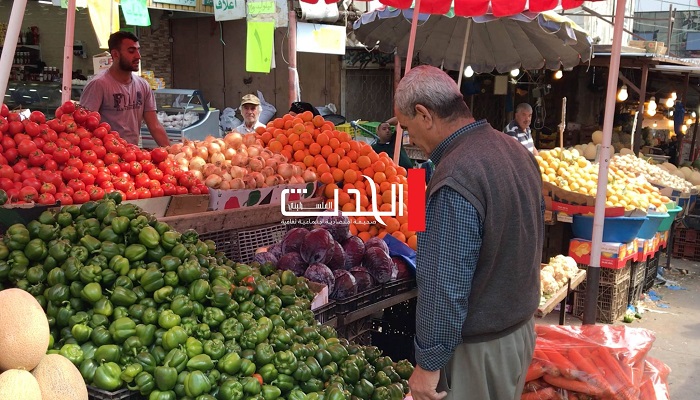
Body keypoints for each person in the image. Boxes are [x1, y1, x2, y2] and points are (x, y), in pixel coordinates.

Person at [394, 65, 543, 400]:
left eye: (407, 127)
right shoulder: (516, 151)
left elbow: (444, 284)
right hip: (520, 331)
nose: (410, 138)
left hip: (479, 349)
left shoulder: (456, 175)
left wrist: (428, 363)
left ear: (425, 114)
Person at [79, 31, 169, 147]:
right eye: (131, 51)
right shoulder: (98, 85)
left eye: (138, 50)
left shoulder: (143, 85)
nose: (138, 56)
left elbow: (154, 125)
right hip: (106, 156)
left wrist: (171, 153)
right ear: (115, 54)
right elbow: (84, 127)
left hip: (132, 156)